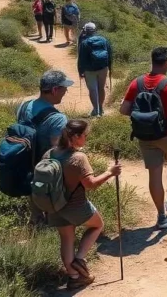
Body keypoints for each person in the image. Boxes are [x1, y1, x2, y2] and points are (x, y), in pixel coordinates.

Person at [45, 119, 121, 289]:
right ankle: (79, 259)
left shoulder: (50, 153)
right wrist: (110, 172)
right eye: (85, 135)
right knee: (97, 225)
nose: (86, 138)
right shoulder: (78, 157)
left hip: (54, 206)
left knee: (66, 239)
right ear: (77, 136)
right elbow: (91, 184)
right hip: (75, 205)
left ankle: (74, 277)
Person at [120, 47, 167, 230]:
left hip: (145, 136)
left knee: (154, 174)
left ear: (152, 61)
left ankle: (161, 216)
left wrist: (144, 119)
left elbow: (124, 110)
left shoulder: (137, 83)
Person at [19, 70, 73, 224]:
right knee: (53, 210)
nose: (66, 91)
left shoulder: (24, 106)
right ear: (55, 90)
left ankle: (36, 221)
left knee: (35, 210)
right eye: (64, 88)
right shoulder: (58, 118)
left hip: (27, 166)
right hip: (46, 172)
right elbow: (58, 149)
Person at [76, 22, 112, 117]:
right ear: (95, 30)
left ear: (85, 31)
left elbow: (81, 59)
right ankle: (101, 108)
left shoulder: (84, 43)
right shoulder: (103, 40)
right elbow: (110, 53)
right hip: (103, 68)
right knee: (101, 88)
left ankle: (96, 110)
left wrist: (80, 71)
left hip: (89, 70)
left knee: (92, 90)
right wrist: (110, 67)